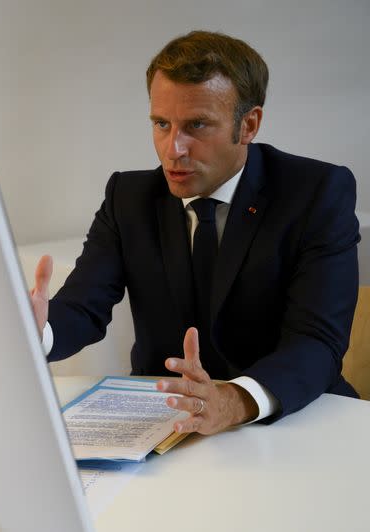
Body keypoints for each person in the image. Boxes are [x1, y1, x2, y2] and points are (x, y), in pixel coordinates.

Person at [30, 30, 359, 435]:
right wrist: (36, 330)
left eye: (197, 125)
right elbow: (82, 308)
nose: (174, 149)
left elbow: (317, 342)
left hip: (291, 418)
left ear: (249, 124)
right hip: (167, 423)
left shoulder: (316, 193)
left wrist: (235, 400)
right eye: (162, 124)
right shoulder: (128, 197)